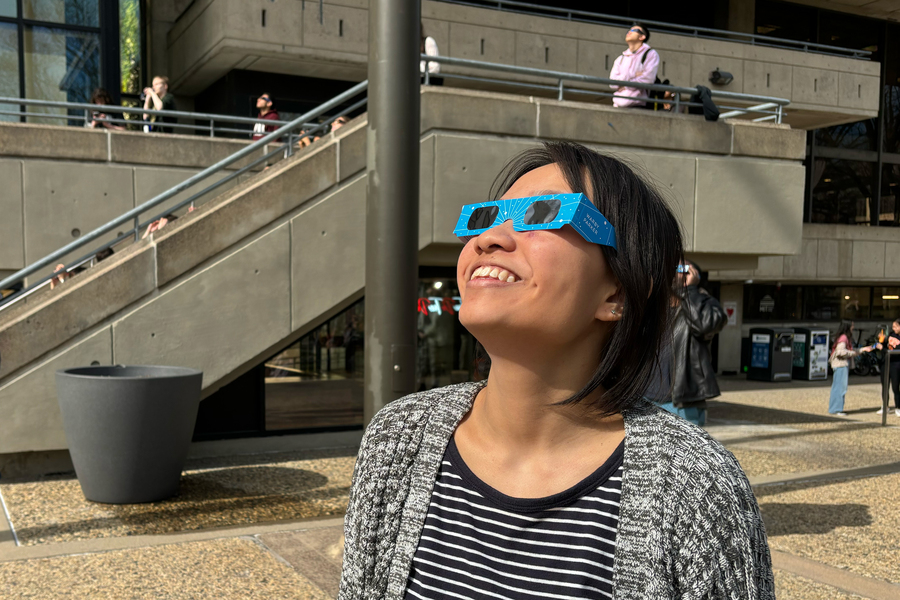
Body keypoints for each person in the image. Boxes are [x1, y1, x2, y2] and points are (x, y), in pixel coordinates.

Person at [339, 141, 774, 599]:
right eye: (486, 217)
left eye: (545, 214)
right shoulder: (397, 437)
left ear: (618, 295)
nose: (489, 238)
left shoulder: (694, 485)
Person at [663, 261, 727, 426]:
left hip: (681, 401)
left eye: (683, 269)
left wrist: (690, 290)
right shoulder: (656, 305)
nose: (677, 272)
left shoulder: (706, 305)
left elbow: (704, 325)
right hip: (646, 398)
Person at [609, 23, 659, 108]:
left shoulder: (650, 54)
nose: (629, 32)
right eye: (629, 30)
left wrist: (624, 84)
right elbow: (612, 84)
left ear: (642, 37)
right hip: (617, 106)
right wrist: (633, 75)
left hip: (638, 106)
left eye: (634, 30)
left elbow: (648, 79)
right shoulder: (621, 58)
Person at [829, 321, 873, 416]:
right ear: (848, 326)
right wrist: (853, 353)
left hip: (840, 364)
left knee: (837, 387)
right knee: (840, 388)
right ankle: (837, 409)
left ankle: (834, 408)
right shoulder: (844, 337)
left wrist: (863, 349)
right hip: (841, 364)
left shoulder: (843, 337)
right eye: (852, 325)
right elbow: (841, 352)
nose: (853, 327)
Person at [874, 319, 900, 417]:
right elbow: (887, 345)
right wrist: (882, 340)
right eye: (893, 326)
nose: (893, 328)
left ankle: (898, 407)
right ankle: (885, 406)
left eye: (896, 326)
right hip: (886, 363)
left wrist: (883, 349)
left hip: (896, 364)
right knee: (885, 386)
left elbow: (895, 351)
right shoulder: (891, 335)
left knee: (895, 387)